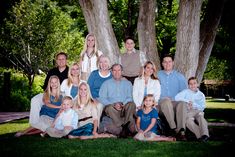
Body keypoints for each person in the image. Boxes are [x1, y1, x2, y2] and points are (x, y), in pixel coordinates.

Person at [29, 52, 69, 130]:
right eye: (59, 59)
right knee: (35, 100)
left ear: (66, 60)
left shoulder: (70, 71)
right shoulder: (52, 71)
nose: (61, 61)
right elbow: (45, 86)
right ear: (56, 61)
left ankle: (46, 125)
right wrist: (48, 95)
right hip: (49, 92)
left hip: (63, 94)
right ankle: (34, 123)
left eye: (63, 59)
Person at [98, 64, 136, 136]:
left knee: (131, 104)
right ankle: (123, 126)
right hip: (112, 109)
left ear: (122, 71)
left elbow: (130, 97)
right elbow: (102, 98)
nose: (117, 72)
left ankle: (124, 126)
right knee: (109, 107)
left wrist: (123, 103)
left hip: (125, 107)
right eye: (114, 70)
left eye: (119, 70)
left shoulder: (128, 83)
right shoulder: (106, 84)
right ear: (111, 72)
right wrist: (114, 104)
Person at [157, 54, 188, 140]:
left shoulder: (179, 76)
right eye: (165, 62)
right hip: (161, 104)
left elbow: (184, 93)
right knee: (166, 101)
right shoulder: (157, 75)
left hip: (175, 103)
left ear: (173, 63)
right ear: (162, 64)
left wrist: (173, 99)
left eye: (169, 61)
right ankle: (173, 128)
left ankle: (181, 131)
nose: (167, 64)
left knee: (182, 103)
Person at [175, 77, 209, 142]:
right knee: (188, 121)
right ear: (188, 85)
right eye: (190, 84)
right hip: (189, 111)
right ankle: (200, 136)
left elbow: (203, 106)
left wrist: (193, 105)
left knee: (201, 118)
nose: (192, 85)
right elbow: (176, 97)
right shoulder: (186, 91)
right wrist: (187, 101)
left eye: (194, 83)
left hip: (199, 111)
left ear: (197, 84)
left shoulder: (201, 95)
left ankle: (205, 135)